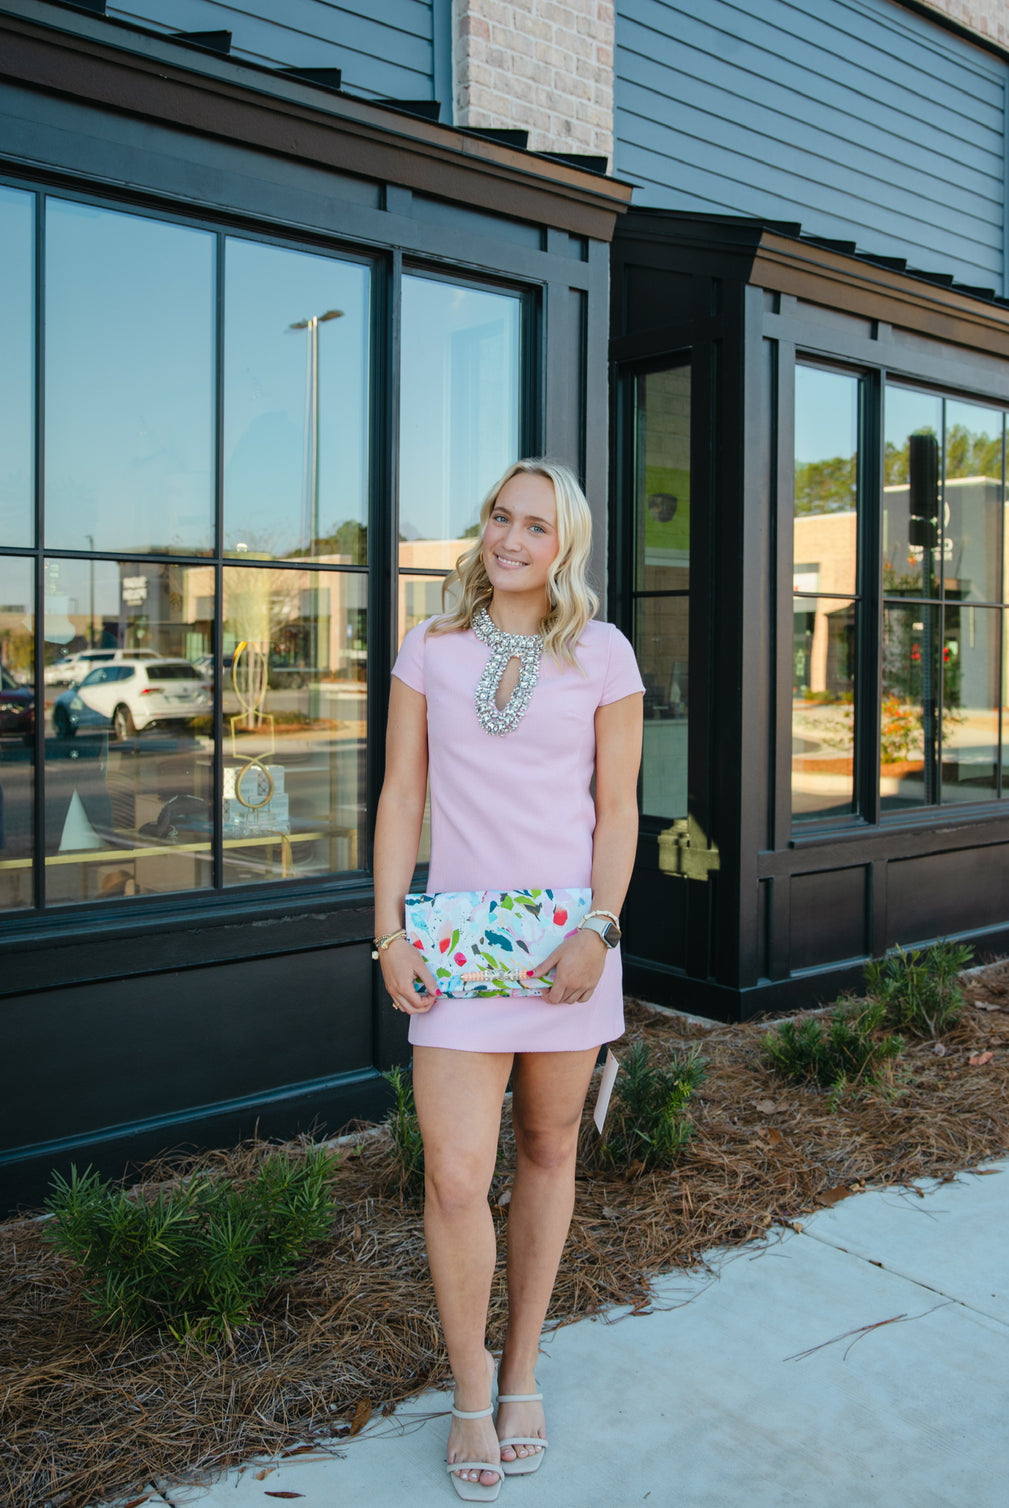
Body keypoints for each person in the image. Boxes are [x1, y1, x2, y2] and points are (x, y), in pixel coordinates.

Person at [372, 457, 644, 1501]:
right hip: (453, 959)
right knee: (451, 1175)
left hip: (570, 954)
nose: (511, 538)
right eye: (500, 516)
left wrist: (603, 929)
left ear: (563, 544)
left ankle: (523, 1367)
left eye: (535, 525)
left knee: (546, 1147)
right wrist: (387, 934)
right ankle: (470, 1385)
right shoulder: (430, 648)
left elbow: (618, 812)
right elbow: (402, 798)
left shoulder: (603, 654)